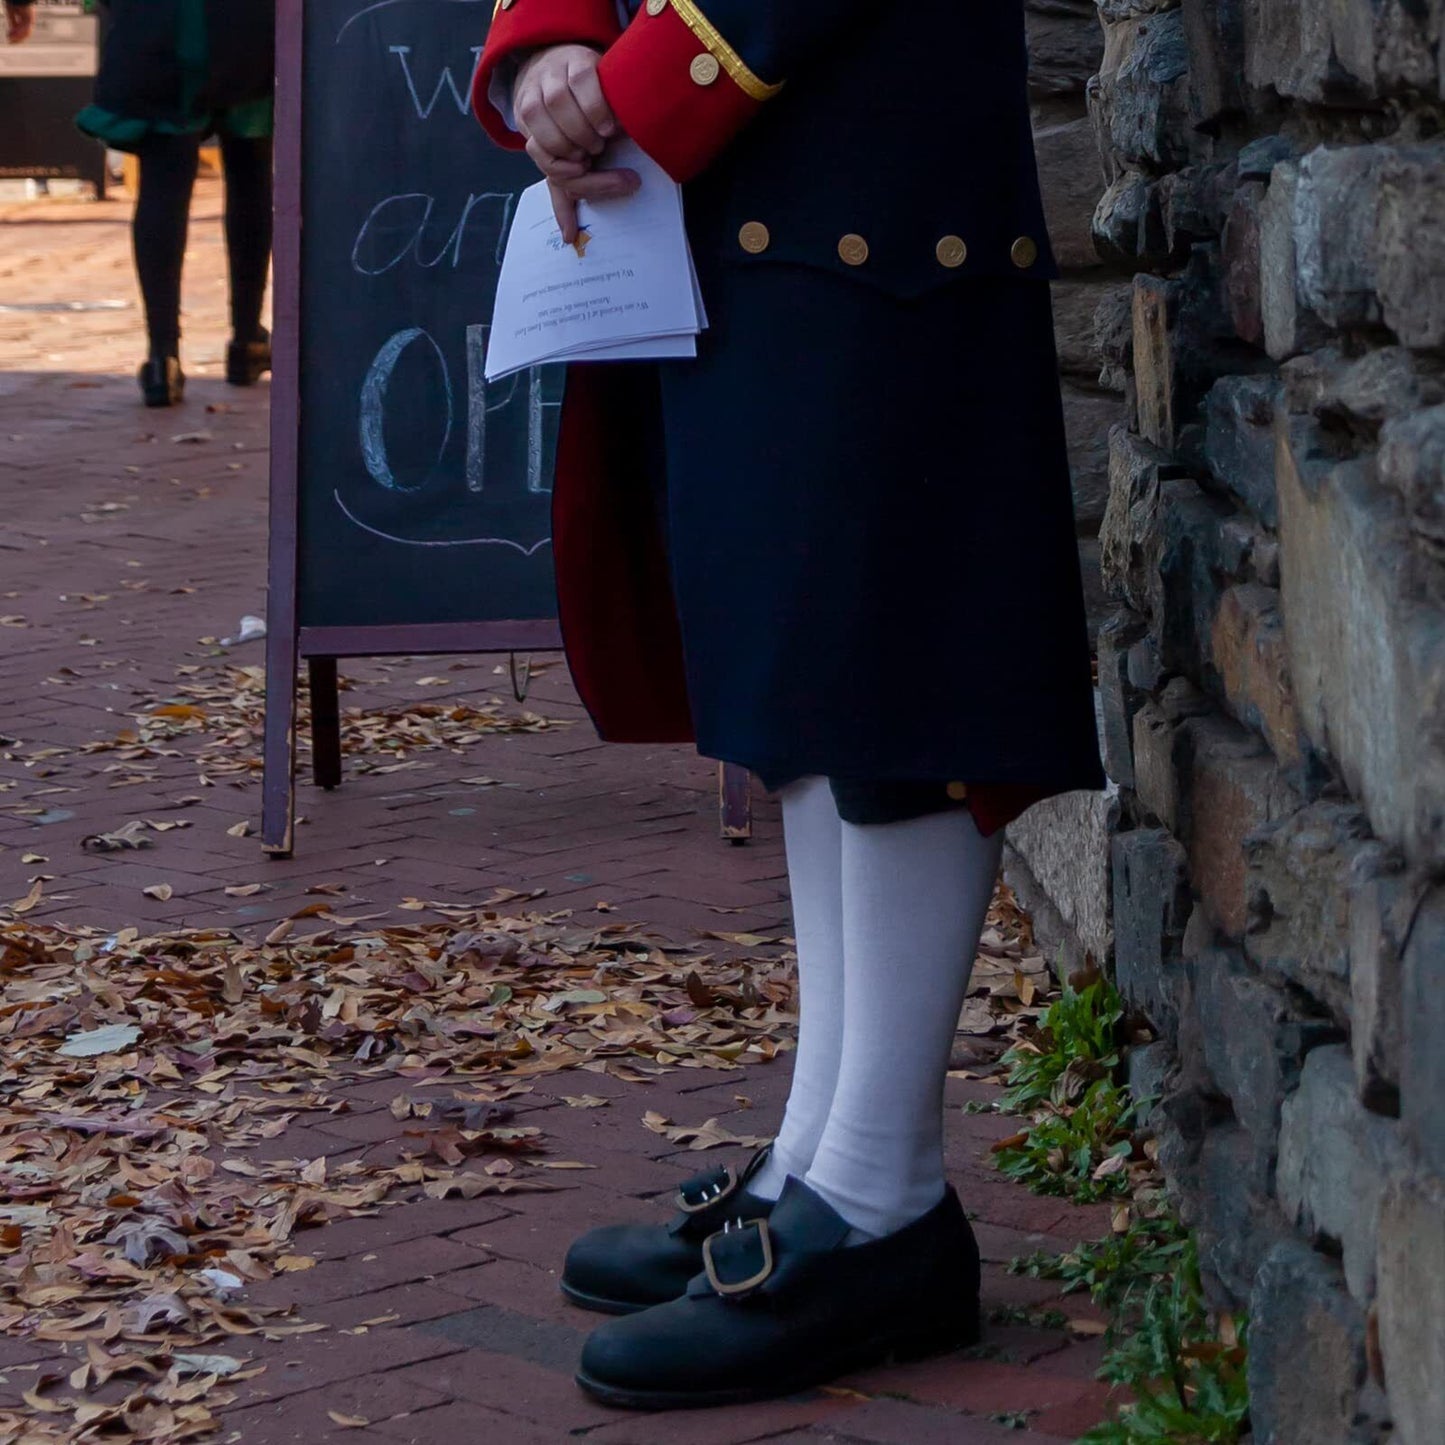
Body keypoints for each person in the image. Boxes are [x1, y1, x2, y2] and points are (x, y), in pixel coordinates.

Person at [474, 0, 1106, 1411]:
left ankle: (879, 1199)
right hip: (740, 175)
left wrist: (647, 83)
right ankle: (824, 1164)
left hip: (865, 161)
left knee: (892, 686)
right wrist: (552, 44)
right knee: (809, 683)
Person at [50, 0, 276, 406]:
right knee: (251, 169)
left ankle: (162, 357)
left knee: (162, 181)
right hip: (244, 30)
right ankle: (246, 340)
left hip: (158, 29)